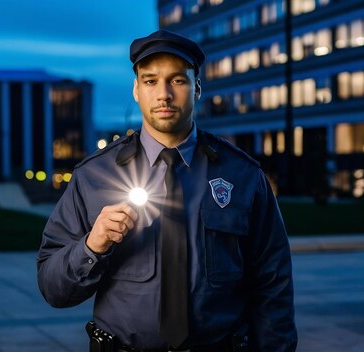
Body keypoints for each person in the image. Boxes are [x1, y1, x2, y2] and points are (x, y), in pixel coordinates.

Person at [37, 30, 297, 352]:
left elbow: (273, 283)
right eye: (150, 81)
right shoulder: (93, 176)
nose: (163, 94)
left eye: (177, 80)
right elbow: (53, 288)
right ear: (135, 89)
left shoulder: (242, 174)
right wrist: (93, 245)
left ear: (197, 87)